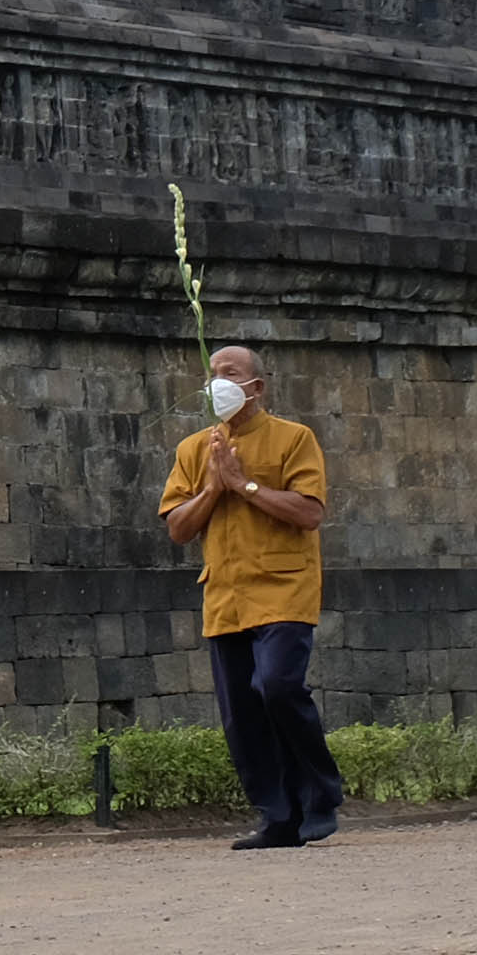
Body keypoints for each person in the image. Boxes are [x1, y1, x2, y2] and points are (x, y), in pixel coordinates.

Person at [157, 344, 341, 851]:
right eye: (213, 374)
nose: (219, 382)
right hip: (225, 594)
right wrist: (214, 488)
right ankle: (278, 816)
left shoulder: (293, 439)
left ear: (255, 387)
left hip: (283, 587)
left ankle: (320, 796)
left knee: (278, 686)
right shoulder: (196, 449)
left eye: (230, 374)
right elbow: (178, 528)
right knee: (241, 711)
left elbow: (309, 513)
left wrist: (246, 485)